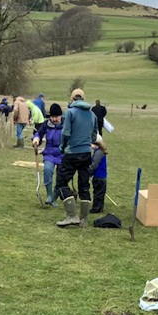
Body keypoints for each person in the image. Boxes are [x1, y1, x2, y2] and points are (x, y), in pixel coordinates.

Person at [55, 88, 97, 228]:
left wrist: (62, 146)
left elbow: (65, 133)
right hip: (86, 153)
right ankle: (84, 219)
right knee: (84, 185)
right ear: (84, 99)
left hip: (72, 152)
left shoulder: (70, 113)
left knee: (61, 183)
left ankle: (71, 216)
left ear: (72, 99)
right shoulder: (92, 115)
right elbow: (93, 136)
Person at [32, 103, 64, 206]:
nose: (54, 119)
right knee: (47, 170)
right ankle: (49, 195)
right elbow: (39, 134)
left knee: (62, 177)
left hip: (63, 154)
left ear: (60, 116)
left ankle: (54, 197)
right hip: (49, 152)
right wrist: (36, 139)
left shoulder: (66, 124)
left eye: (57, 117)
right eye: (52, 117)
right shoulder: (46, 124)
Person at [89, 139, 108, 213]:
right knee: (100, 192)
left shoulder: (98, 153)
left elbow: (94, 165)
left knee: (98, 193)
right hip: (101, 177)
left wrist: (89, 173)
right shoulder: (100, 152)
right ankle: (99, 207)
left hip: (98, 177)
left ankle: (96, 208)